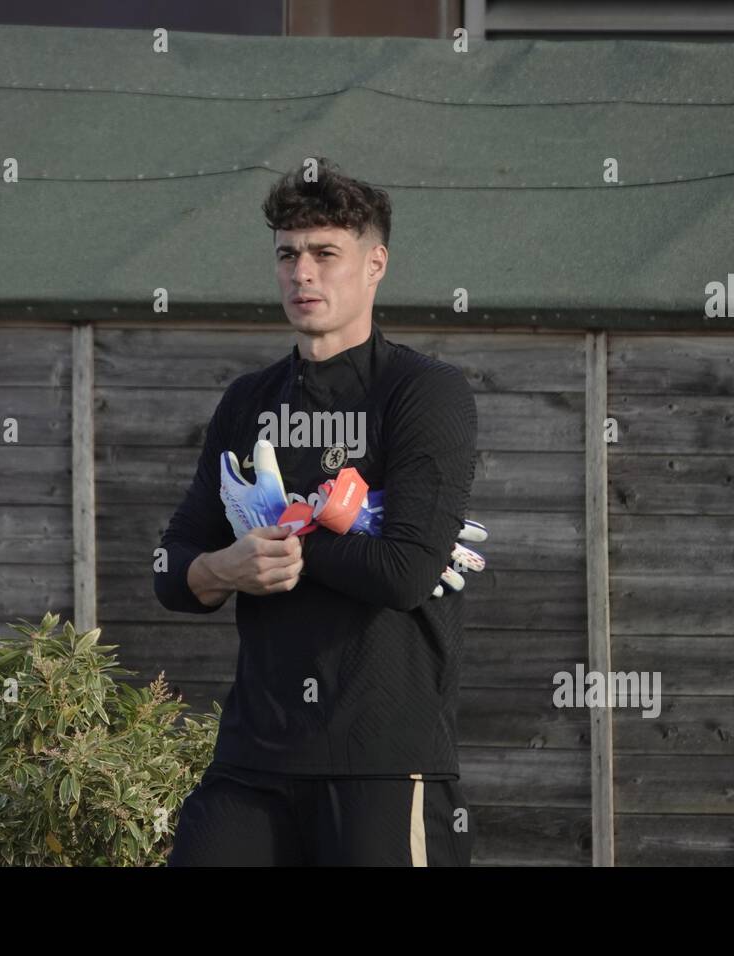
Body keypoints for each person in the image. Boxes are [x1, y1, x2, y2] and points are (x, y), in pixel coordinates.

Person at [153, 158, 479, 866]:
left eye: (325, 253)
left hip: (382, 761)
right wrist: (225, 566)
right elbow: (172, 566)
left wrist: (287, 540)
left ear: (375, 264)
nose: (303, 273)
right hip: (254, 758)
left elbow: (404, 570)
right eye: (288, 255)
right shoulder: (248, 401)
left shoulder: (424, 395)